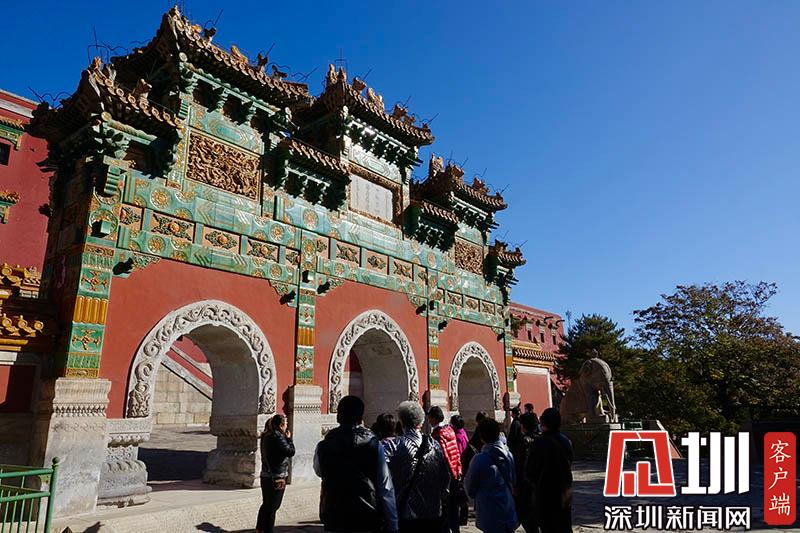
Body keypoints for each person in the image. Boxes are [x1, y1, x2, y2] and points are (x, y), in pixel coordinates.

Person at [314, 396, 398, 533]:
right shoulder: (373, 444)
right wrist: (393, 523)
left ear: (338, 416)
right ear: (360, 418)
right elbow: (385, 486)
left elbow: (319, 471)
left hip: (335, 513)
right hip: (366, 514)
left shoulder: (324, 444)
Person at [390, 401, 451, 533]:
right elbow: (445, 479)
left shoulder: (393, 446)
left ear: (401, 422)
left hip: (405, 513)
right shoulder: (435, 445)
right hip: (432, 513)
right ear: (422, 422)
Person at [464, 418, 518, 533]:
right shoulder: (509, 455)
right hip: (507, 508)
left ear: (481, 437)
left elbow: (470, 488)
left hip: (489, 513)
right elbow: (513, 480)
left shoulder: (479, 459)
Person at [526, 408, 573, 533]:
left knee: (548, 527)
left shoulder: (538, 443)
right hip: (564, 490)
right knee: (564, 525)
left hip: (545, 492)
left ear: (543, 422)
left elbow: (531, 471)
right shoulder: (566, 441)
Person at [257, 414, 295, 533]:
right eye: (286, 423)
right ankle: (268, 530)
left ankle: (260, 528)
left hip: (266, 474)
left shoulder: (266, 436)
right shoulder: (278, 437)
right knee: (273, 506)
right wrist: (289, 439)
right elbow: (290, 452)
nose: (287, 425)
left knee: (266, 504)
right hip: (277, 476)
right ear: (281, 425)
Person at [428, 406, 463, 533]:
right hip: (454, 472)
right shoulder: (450, 430)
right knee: (453, 507)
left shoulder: (437, 434)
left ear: (433, 418)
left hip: (444, 475)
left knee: (444, 509)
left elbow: (438, 457)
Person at [515, 413, 541, 533]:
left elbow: (521, 465)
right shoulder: (542, 439)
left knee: (527, 518)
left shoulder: (524, 441)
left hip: (527, 486)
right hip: (541, 484)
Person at [449, 414, 470, 526]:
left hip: (459, 468)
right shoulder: (463, 433)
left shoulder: (458, 437)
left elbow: (459, 453)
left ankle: (462, 516)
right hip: (463, 467)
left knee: (459, 493)